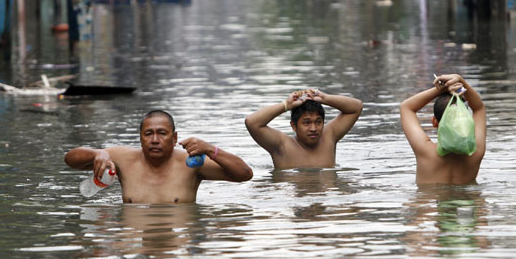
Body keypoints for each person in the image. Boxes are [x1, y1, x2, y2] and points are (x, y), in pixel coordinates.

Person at [64, 110, 253, 203]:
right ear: (140, 138)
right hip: (134, 240)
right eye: (148, 134)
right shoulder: (121, 158)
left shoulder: (191, 163)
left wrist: (211, 150)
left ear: (174, 138)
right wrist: (97, 153)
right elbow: (70, 160)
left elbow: (244, 174)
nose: (155, 140)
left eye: (162, 133)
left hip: (177, 240)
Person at [400, 74, 486, 185]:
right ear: (467, 122)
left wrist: (441, 89)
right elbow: (479, 108)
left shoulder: (425, 151)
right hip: (469, 200)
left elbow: (406, 107)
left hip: (428, 198)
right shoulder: (475, 152)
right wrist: (460, 81)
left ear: (434, 122)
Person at [245, 89, 363, 169]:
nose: (313, 128)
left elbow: (356, 107)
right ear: (293, 126)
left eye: (318, 122)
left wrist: (325, 98)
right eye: (306, 123)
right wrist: (286, 105)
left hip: (325, 201)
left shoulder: (328, 137)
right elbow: (252, 122)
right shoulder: (282, 146)